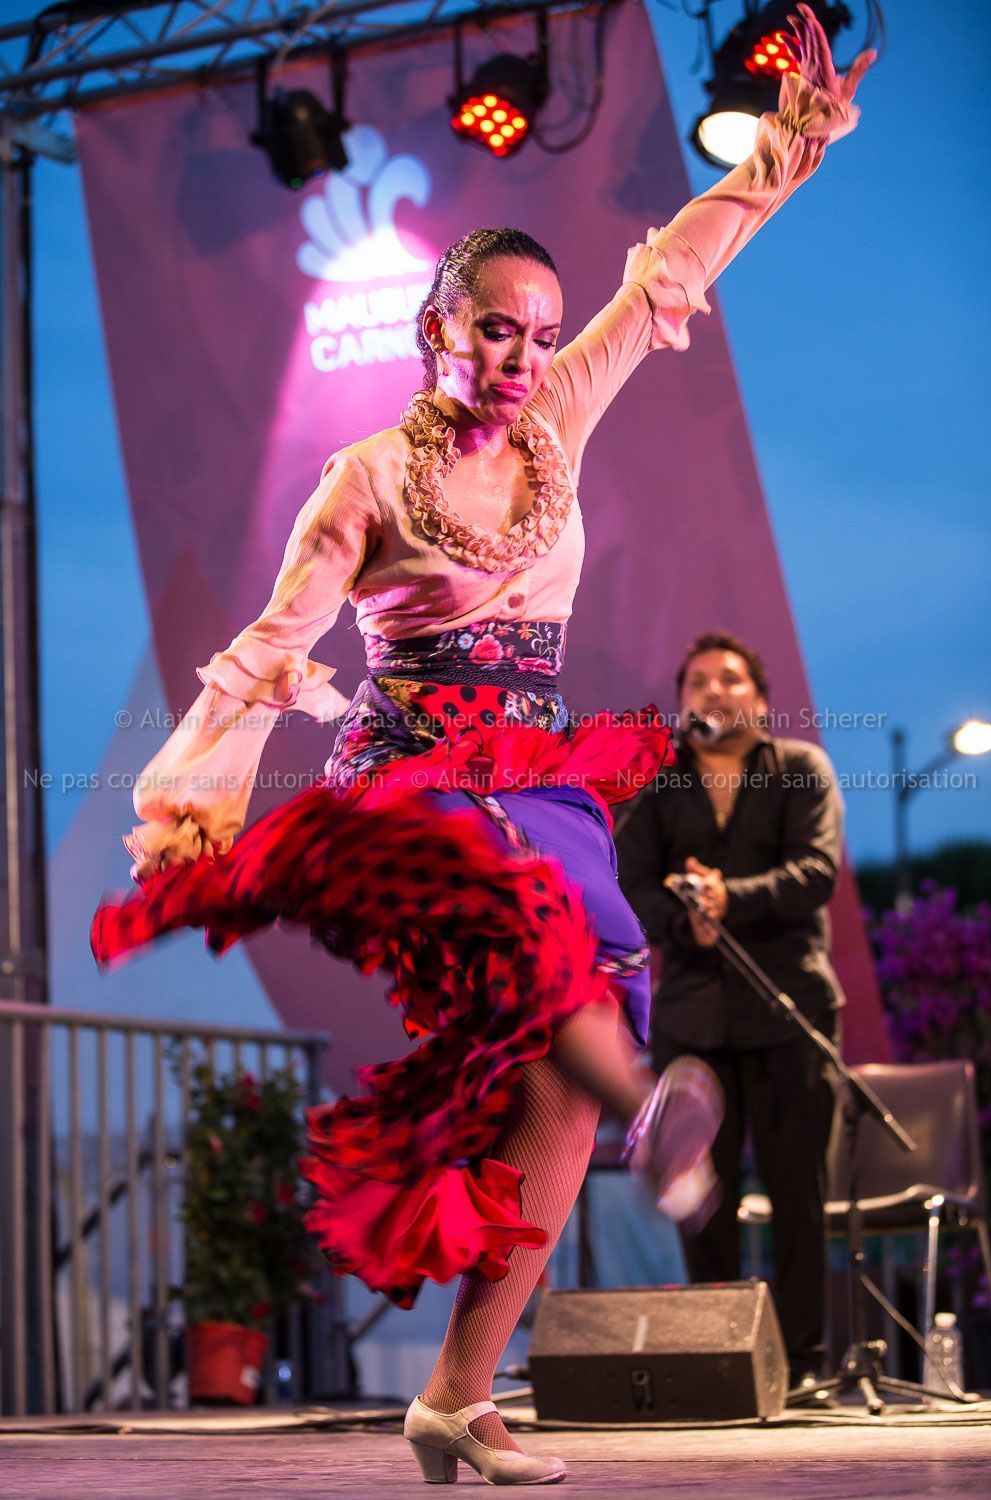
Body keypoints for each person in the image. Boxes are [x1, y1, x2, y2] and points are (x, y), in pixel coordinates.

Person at [92, 9, 872, 1482]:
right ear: (436, 329)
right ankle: (654, 1109)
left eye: (538, 329)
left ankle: (458, 1393)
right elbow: (273, 641)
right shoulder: (364, 481)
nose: (522, 354)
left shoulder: (560, 416)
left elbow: (669, 277)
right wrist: (190, 796)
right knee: (540, 938)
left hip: (535, 774)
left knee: (551, 1086)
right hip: (412, 778)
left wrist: (785, 149)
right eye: (495, 327)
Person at [615, 629, 846, 1388]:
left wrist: (729, 898)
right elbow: (628, 886)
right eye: (698, 682)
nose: (714, 691)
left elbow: (816, 871)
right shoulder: (657, 782)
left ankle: (804, 1364)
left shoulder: (802, 769)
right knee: (699, 1196)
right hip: (692, 1020)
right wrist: (686, 921)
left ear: (762, 699)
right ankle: (718, 1365)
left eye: (731, 679)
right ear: (682, 703)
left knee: (797, 1192)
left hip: (788, 1013)